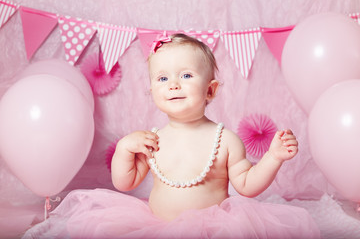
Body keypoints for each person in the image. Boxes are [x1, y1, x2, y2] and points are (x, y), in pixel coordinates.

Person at [23, 33, 320, 239]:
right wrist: (126, 149)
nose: (174, 85)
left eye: (186, 75)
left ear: (211, 90)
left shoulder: (226, 140)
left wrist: (273, 157)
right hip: (153, 226)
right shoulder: (150, 140)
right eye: (162, 78)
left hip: (213, 230)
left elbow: (247, 186)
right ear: (152, 91)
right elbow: (124, 183)